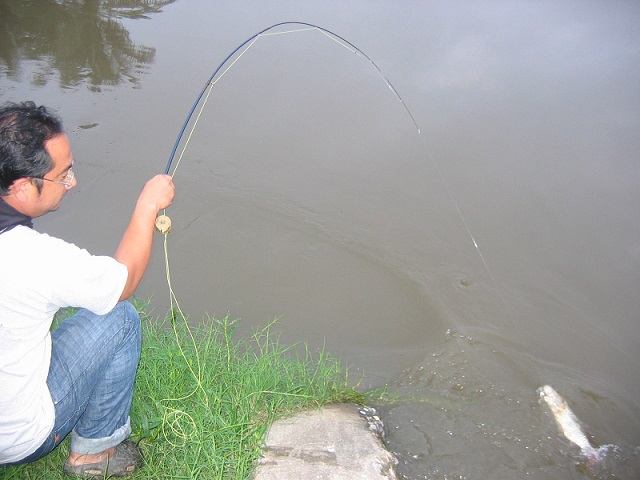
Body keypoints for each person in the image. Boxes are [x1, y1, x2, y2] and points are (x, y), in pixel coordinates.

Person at [0, 101, 175, 477]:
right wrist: (148, 204)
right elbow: (122, 282)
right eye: (62, 175)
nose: (72, 182)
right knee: (119, 317)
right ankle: (94, 454)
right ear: (21, 188)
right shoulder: (29, 258)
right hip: (13, 437)